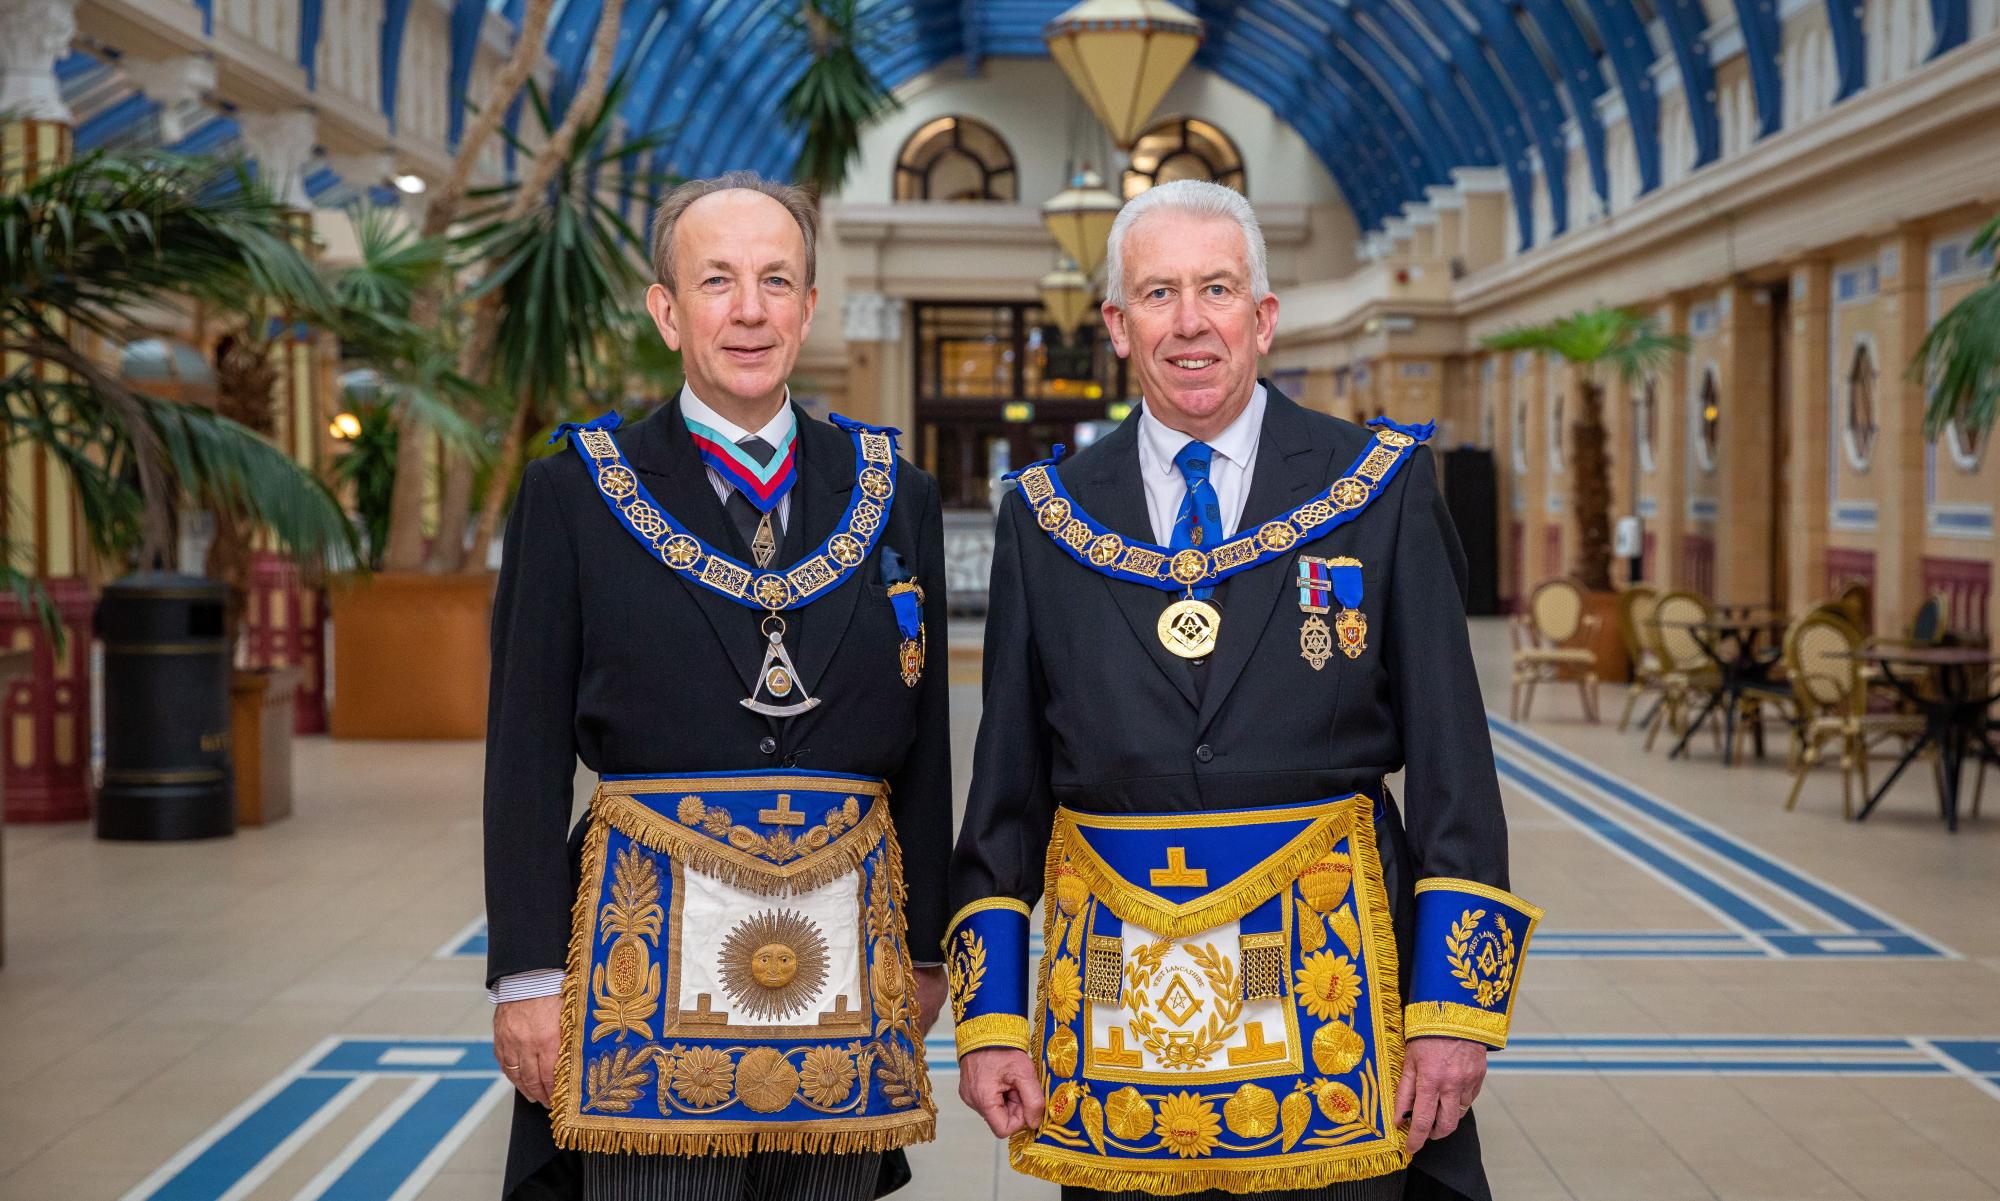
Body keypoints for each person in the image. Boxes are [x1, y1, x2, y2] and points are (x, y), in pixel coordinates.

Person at [944, 179, 1540, 1201]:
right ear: (1116, 327)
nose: (1188, 322)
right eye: (1158, 293)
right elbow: (1004, 794)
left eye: (1215, 289)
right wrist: (990, 1020)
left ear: (1260, 319)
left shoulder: (1378, 485)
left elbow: (1452, 767)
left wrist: (1450, 1012)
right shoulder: (1045, 516)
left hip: (1337, 1004)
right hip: (1119, 1020)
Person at [483, 171, 951, 1201]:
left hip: (844, 959)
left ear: (809, 309)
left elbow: (926, 741)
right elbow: (521, 748)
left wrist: (923, 950)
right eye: (717, 281)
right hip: (636, 959)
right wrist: (525, 976)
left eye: (776, 280)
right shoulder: (575, 492)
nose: (749, 310)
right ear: (666, 310)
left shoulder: (892, 490)